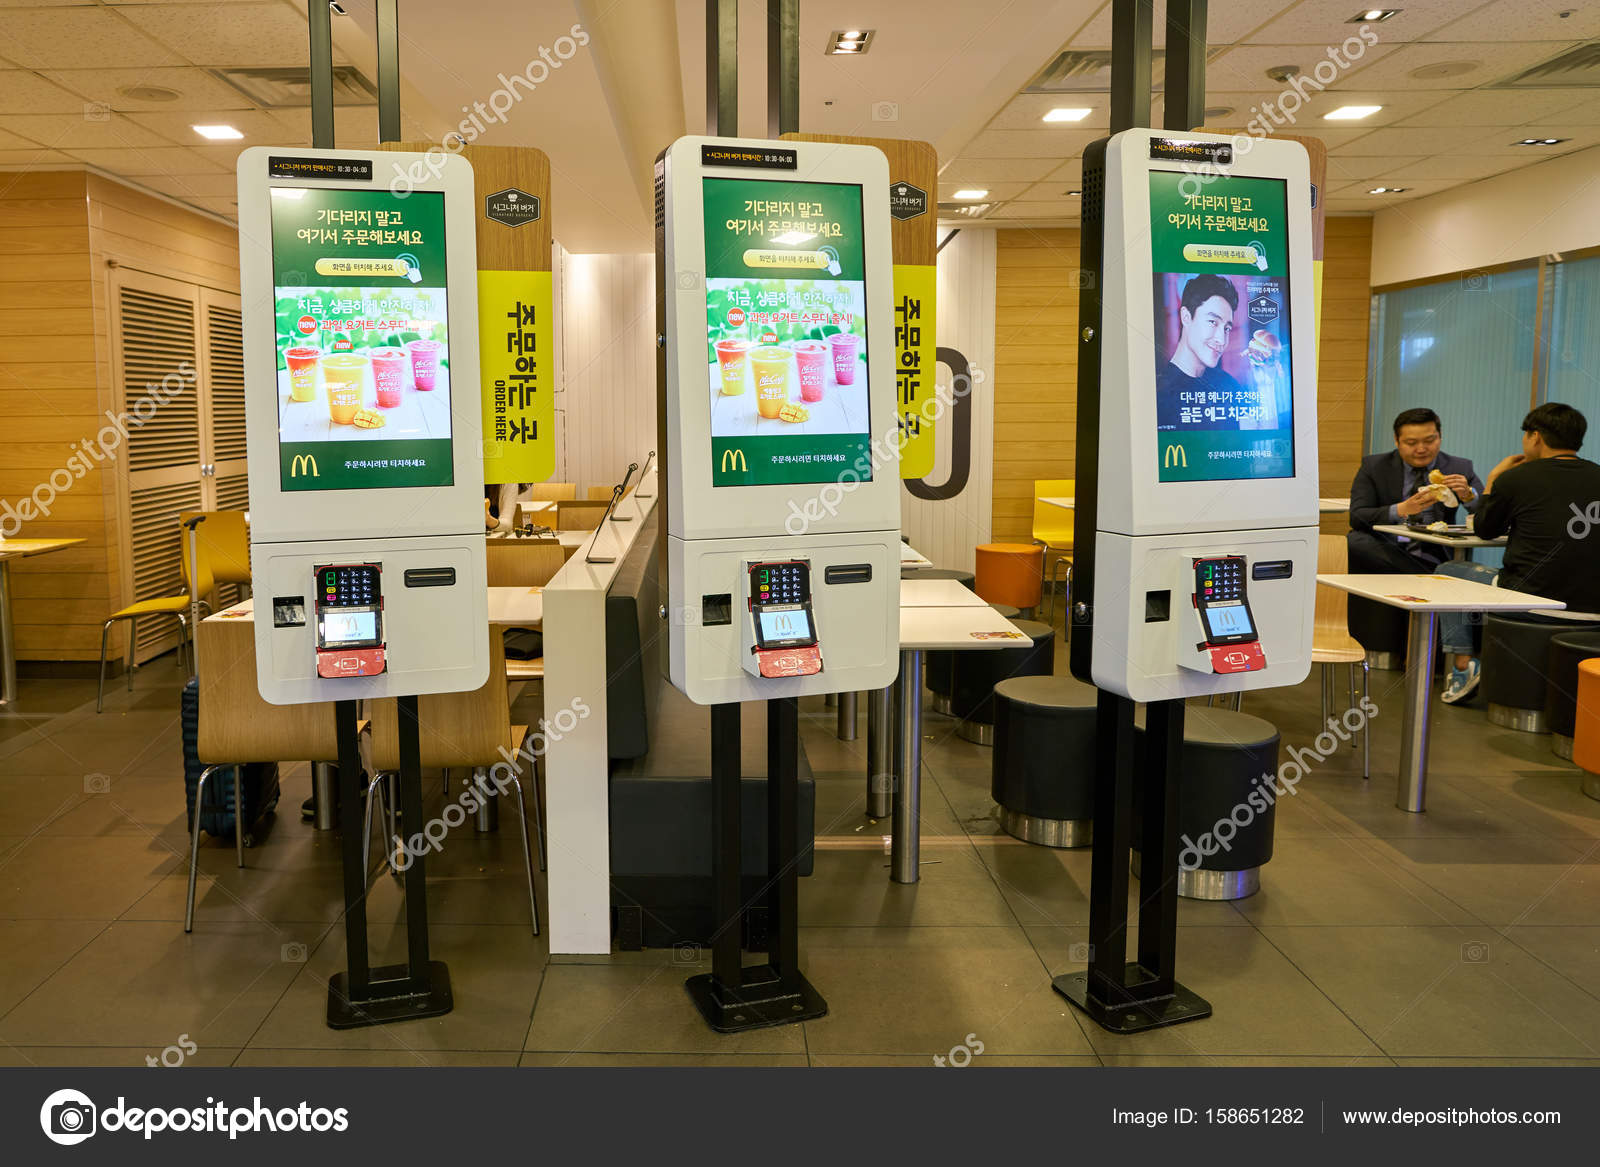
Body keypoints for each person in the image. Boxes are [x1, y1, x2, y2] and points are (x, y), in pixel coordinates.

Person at [1436, 402, 1600, 703]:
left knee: (1448, 572)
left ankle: (1463, 666)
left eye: (1526, 435)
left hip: (1532, 602)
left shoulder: (1516, 479)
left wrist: (1493, 480)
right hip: (1594, 611)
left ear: (1535, 437)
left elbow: (1485, 529)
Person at [1347, 407, 1482, 573]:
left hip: (1434, 549)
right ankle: (1427, 573)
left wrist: (1469, 496)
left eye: (1429, 440)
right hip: (1388, 548)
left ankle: (1424, 571)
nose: (1421, 449)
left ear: (1440, 437)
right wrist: (1402, 509)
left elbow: (1490, 517)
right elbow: (1357, 517)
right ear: (1396, 441)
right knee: (1355, 542)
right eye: (1411, 443)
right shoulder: (1374, 466)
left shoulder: (1459, 467)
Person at [1156, 274, 1248, 431]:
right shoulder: (1159, 392)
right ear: (1186, 317)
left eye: (1227, 328)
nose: (1221, 340)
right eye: (1213, 322)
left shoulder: (1230, 388)